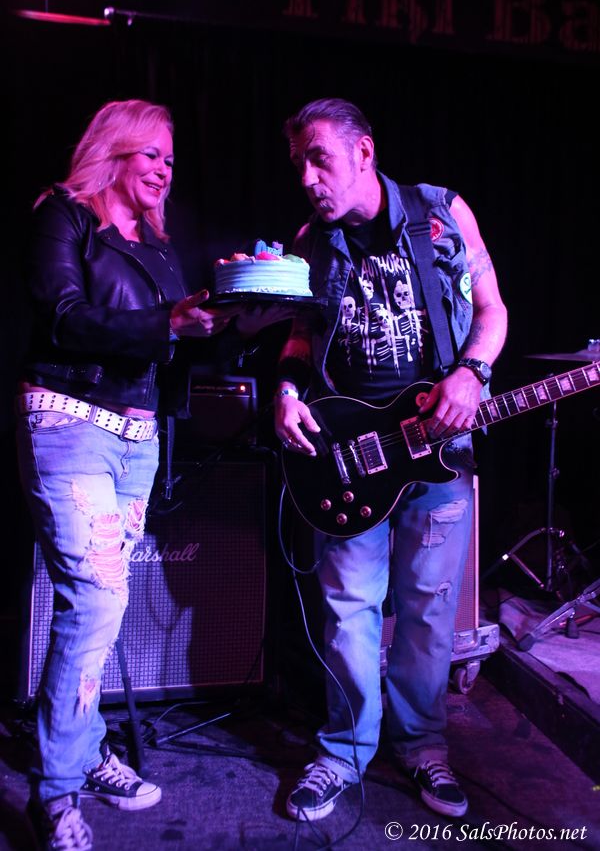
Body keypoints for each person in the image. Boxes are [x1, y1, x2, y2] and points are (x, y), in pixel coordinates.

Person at [15, 98, 277, 851]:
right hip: (71, 422)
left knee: (106, 604)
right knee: (95, 599)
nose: (166, 169)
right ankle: (55, 790)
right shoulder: (65, 216)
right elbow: (62, 316)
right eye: (153, 154)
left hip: (137, 438)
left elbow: (180, 350)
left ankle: (86, 748)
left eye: (171, 158)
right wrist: (167, 322)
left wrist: (239, 327)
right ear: (115, 151)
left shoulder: (159, 249)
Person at [274, 98, 508, 822]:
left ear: (364, 151)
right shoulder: (311, 241)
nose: (308, 178)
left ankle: (423, 746)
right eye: (299, 164)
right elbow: (300, 333)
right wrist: (286, 390)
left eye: (319, 158)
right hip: (351, 457)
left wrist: (471, 372)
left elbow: (493, 310)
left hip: (437, 452)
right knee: (349, 613)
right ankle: (344, 750)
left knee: (428, 611)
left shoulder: (440, 213)